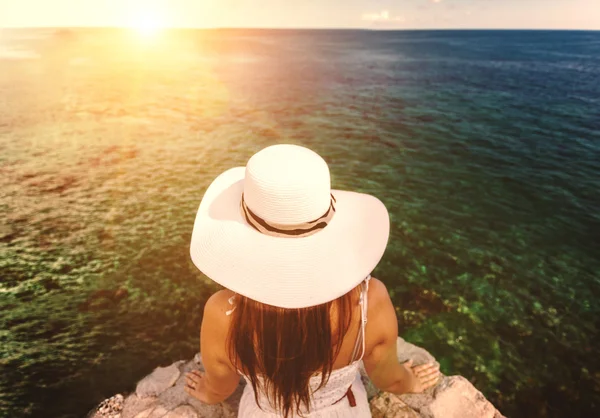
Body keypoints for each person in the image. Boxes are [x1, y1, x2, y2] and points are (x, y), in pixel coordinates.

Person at [184, 144, 440, 417]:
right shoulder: (370, 300)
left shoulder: (223, 313)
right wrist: (411, 381)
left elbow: (221, 385)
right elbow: (389, 379)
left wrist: (208, 392)